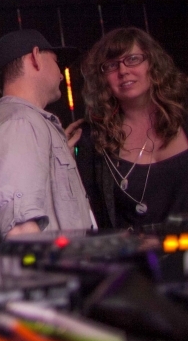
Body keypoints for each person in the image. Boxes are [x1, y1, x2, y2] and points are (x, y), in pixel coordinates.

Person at [0, 29, 93, 247]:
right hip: (53, 270)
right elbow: (20, 231)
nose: (61, 74)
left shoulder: (21, 123)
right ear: (36, 57)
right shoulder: (20, 124)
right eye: (57, 62)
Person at [76, 27, 188, 230]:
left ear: (152, 63)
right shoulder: (94, 139)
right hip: (132, 250)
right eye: (111, 65)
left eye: (133, 59)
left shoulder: (183, 115)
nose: (123, 71)